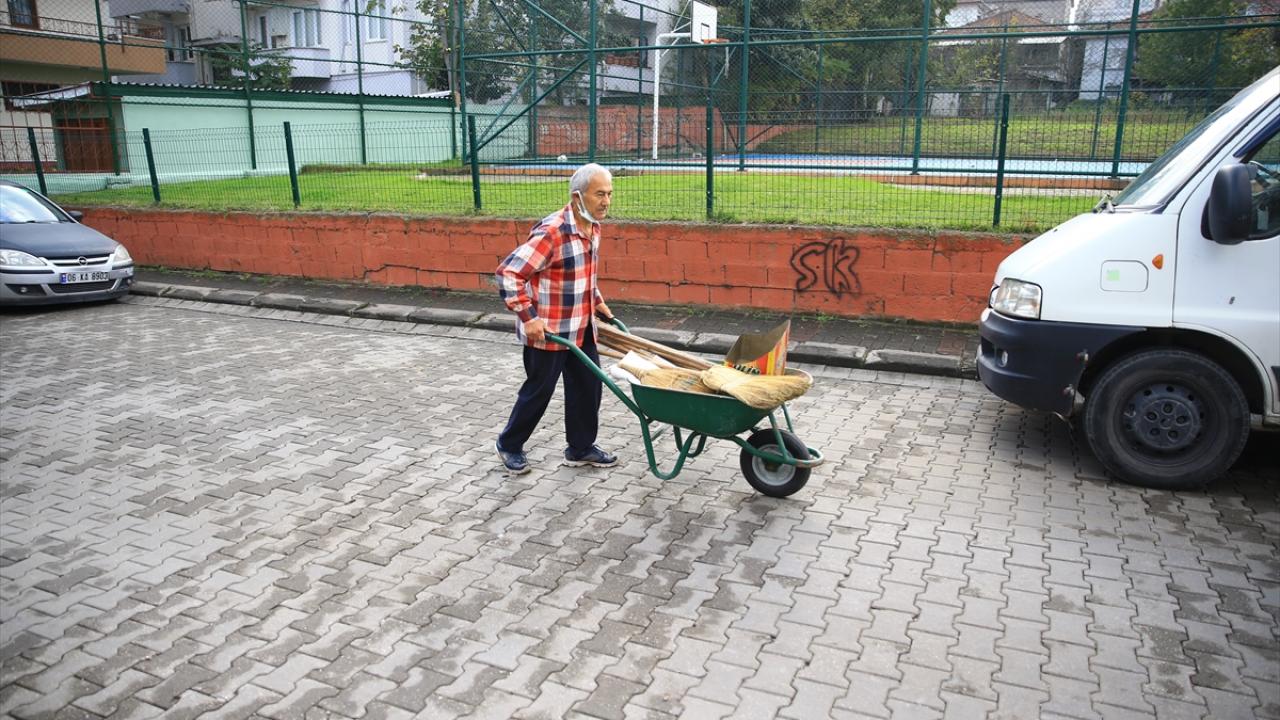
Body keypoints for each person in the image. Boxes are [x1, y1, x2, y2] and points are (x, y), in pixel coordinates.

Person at [494, 163, 619, 475]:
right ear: (578, 197)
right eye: (599, 194)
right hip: (548, 332)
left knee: (588, 388)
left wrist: (599, 303)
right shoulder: (553, 232)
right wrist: (529, 317)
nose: (606, 201)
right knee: (539, 391)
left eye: (610, 194)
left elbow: (581, 275)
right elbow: (508, 274)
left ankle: (580, 448)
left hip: (581, 327)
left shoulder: (593, 226)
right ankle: (509, 444)